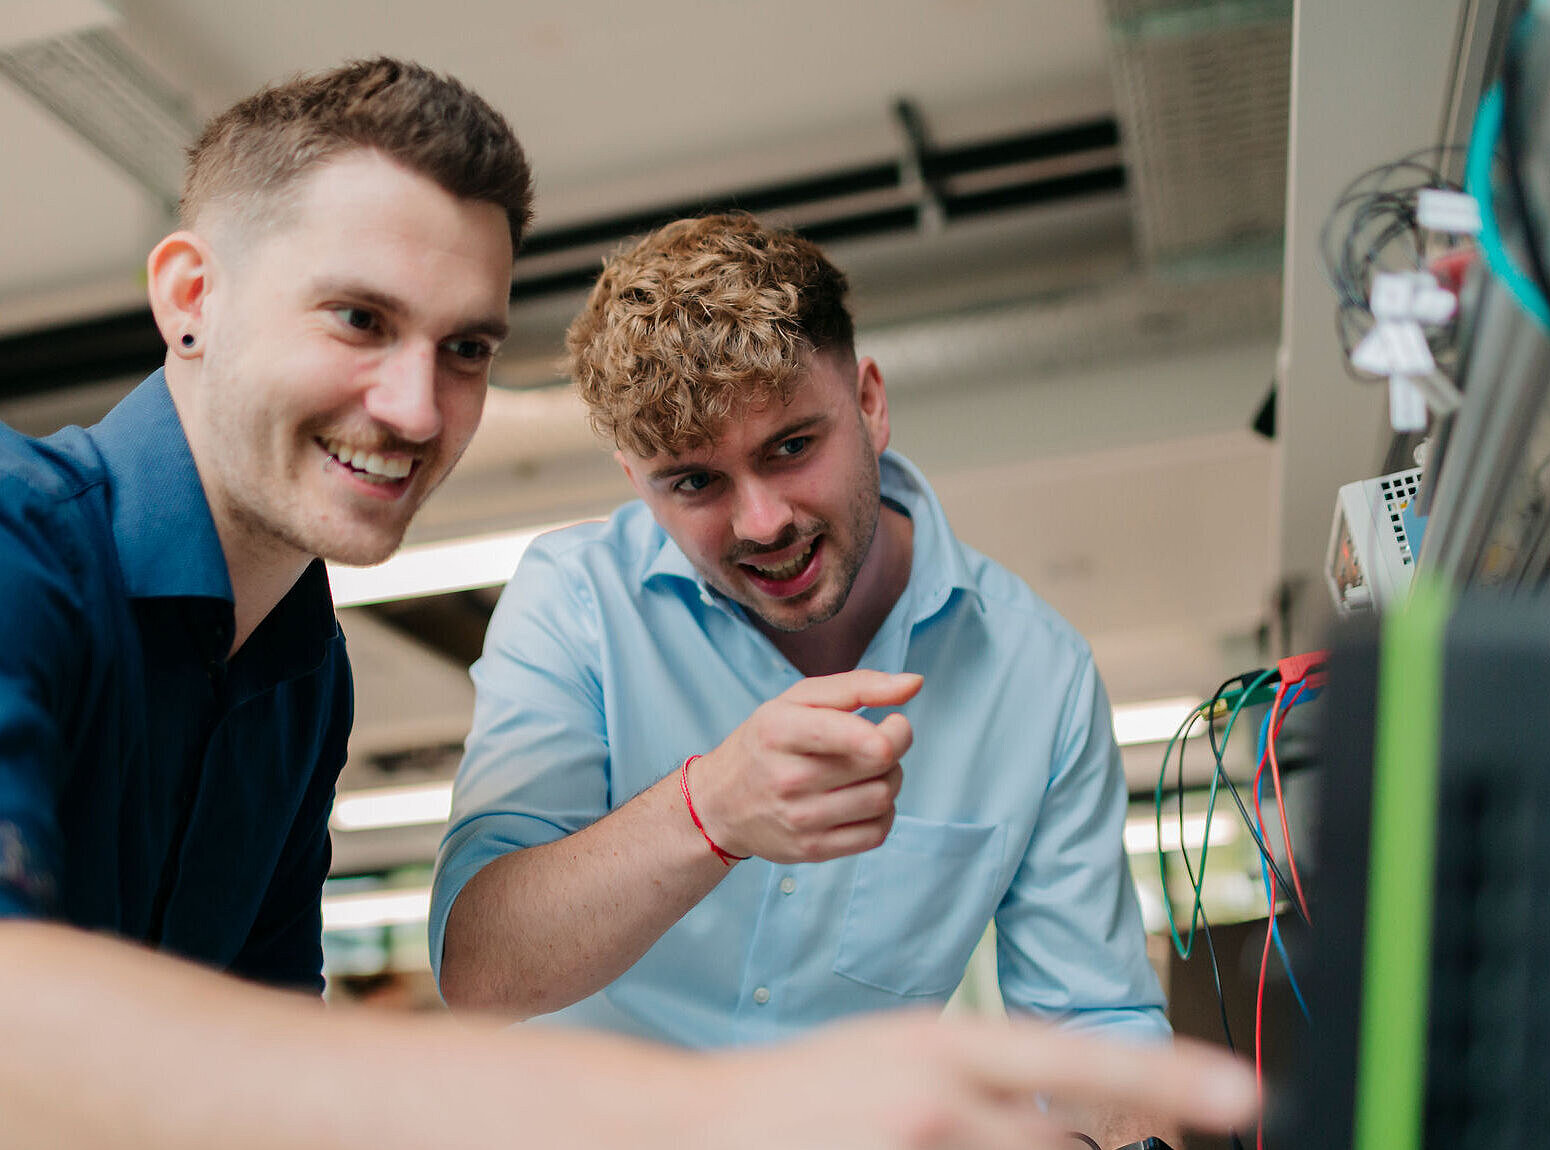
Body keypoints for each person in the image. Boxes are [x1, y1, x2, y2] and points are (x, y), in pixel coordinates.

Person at [0, 60, 1253, 1150]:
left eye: (469, 347)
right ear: (192, 297)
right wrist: (712, 1118)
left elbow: (252, 1070)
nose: (416, 406)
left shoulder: (296, 672)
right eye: (358, 317)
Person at [433, 214, 1178, 1147]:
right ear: (635, 477)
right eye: (694, 483)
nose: (761, 521)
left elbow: (1095, 1028)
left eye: (790, 446)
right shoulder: (575, 601)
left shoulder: (1037, 671)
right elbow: (481, 969)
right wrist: (708, 814)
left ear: (868, 401)